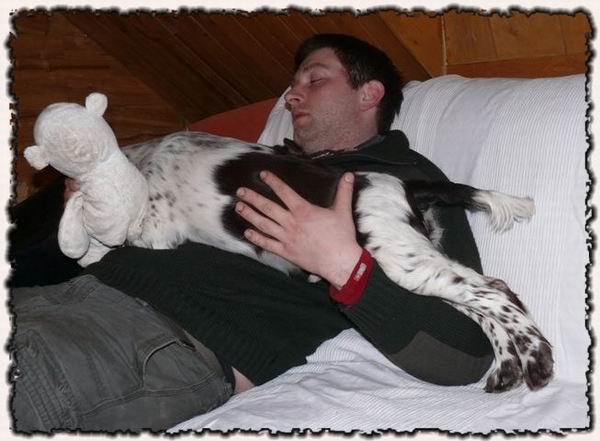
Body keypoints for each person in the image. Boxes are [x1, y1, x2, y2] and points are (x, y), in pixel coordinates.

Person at [9, 34, 493, 432]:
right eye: (292, 85)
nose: (291, 96)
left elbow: (467, 352)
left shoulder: (406, 185)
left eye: (315, 80)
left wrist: (345, 265)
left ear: (369, 94)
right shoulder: (249, 161)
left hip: (162, 339)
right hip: (71, 291)